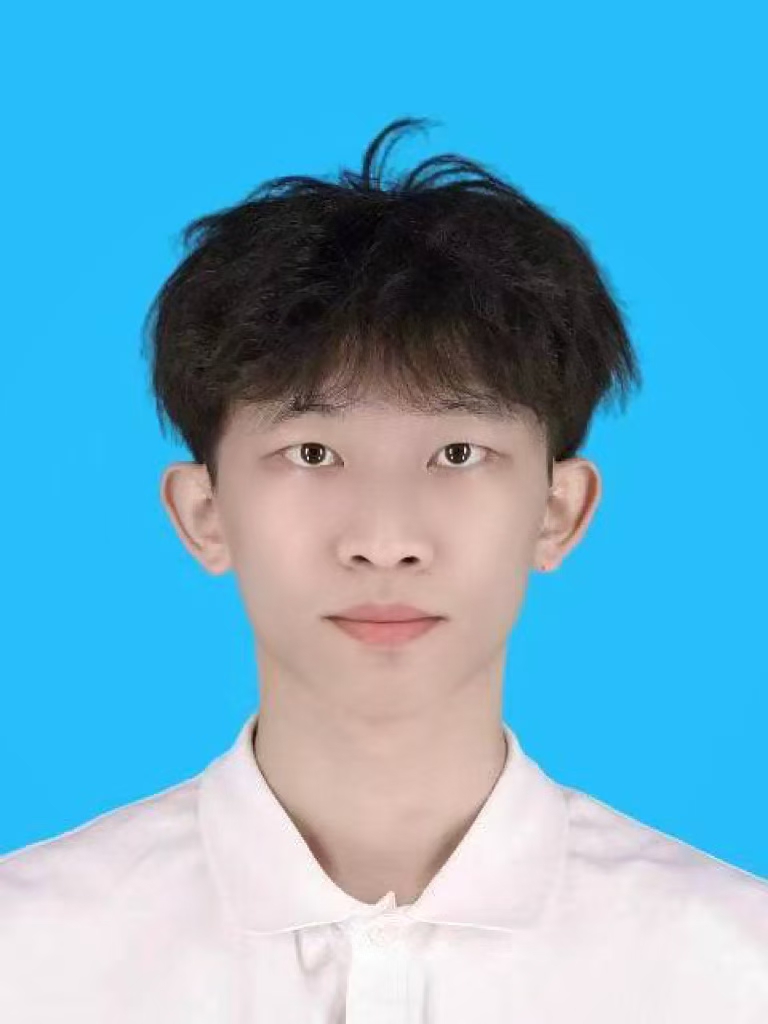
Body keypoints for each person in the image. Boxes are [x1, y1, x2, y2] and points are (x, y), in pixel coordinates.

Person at [1, 116, 766, 1022]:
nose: (386, 539)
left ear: (558, 510)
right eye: (313, 453)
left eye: (457, 453)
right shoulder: (28, 952)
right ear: (204, 513)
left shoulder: (734, 963)